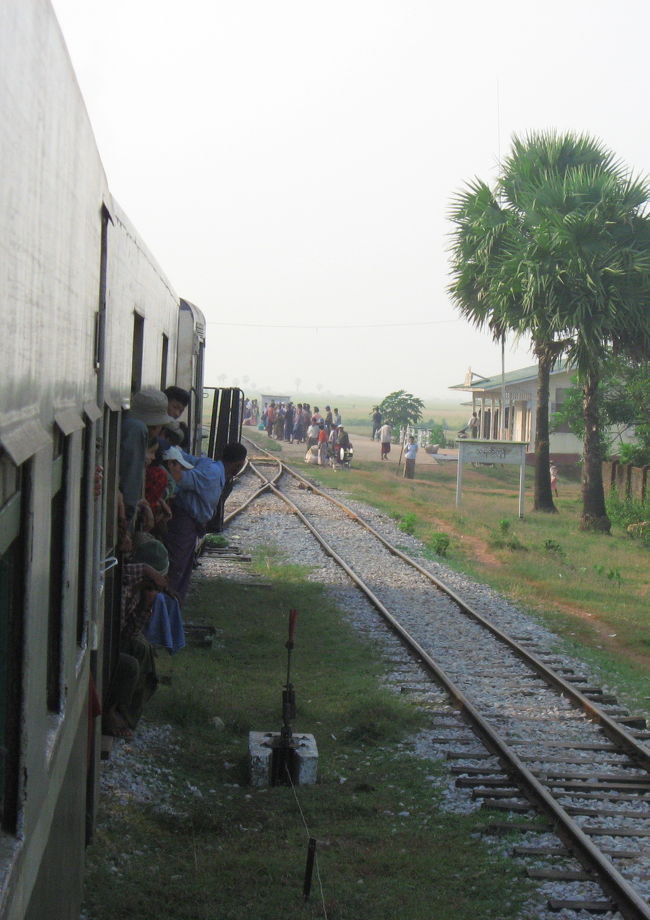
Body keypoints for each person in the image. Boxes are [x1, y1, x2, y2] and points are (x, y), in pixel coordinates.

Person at [163, 443, 247, 601]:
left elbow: (186, 457)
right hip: (183, 525)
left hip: (189, 526)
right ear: (238, 465)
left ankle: (172, 611)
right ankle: (168, 611)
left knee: (181, 571)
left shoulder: (209, 464)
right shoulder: (212, 474)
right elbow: (180, 478)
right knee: (177, 571)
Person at [120, 388, 173, 523]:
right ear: (155, 427)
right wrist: (128, 520)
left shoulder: (127, 426)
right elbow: (130, 480)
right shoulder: (136, 432)